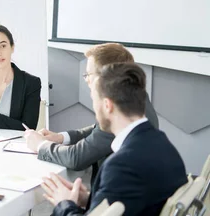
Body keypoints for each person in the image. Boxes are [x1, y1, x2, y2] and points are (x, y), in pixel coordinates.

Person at [42, 62, 187, 216]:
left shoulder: (121, 165)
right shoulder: (161, 143)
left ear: (107, 105)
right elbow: (129, 201)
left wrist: (64, 204)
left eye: (94, 100)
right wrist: (89, 199)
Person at [25, 43, 159, 176]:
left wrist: (41, 145)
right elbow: (98, 130)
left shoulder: (121, 113)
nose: (87, 80)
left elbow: (77, 158)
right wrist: (60, 137)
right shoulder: (136, 99)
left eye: (89, 74)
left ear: (107, 76)